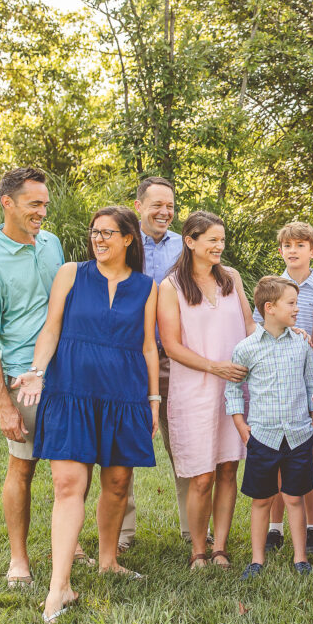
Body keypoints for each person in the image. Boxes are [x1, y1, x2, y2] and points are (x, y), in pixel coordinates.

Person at [16, 205, 158, 624]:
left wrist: (153, 400)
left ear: (129, 239)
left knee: (117, 483)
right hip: (71, 390)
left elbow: (149, 347)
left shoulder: (149, 287)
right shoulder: (71, 273)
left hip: (124, 394)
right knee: (66, 485)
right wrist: (38, 372)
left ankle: (108, 559)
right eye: (95, 232)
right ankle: (59, 585)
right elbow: (52, 328)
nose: (98, 239)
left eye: (108, 233)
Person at [0, 167, 89, 588]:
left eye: (45, 204)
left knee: (73, 462)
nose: (42, 211)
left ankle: (69, 543)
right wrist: (5, 406)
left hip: (69, 371)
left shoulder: (51, 243)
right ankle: (18, 559)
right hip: (26, 382)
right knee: (23, 467)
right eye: (34, 204)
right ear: (8, 202)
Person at [157, 211, 255, 569]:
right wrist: (215, 367)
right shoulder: (171, 288)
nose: (219, 246)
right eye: (212, 239)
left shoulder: (231, 278)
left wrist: (281, 339)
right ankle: (198, 548)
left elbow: (248, 325)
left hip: (233, 390)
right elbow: (171, 345)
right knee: (202, 475)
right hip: (194, 391)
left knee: (229, 468)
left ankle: (220, 548)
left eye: (222, 240)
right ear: (190, 241)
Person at [227, 276, 313, 580]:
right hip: (262, 436)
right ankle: (257, 559)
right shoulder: (246, 349)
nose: (297, 308)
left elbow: (310, 385)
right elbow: (233, 390)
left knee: (295, 497)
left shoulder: (302, 345)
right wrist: (241, 425)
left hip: (298, 434)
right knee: (261, 499)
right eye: (291, 303)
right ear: (270, 308)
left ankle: (300, 557)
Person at [254, 222, 313, 556]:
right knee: (278, 455)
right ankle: (275, 527)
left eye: (300, 245)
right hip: (278, 382)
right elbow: (261, 333)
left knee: (310, 456)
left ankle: (312, 525)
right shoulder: (272, 288)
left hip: (312, 378)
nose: (292, 250)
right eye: (287, 245)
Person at [132, 176, 186, 548]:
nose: (164, 212)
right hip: (130, 359)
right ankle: (122, 534)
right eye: (157, 205)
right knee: (123, 444)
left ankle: (193, 529)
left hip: (173, 360)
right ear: (139, 206)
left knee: (182, 443)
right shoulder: (121, 241)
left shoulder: (186, 246)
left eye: (169, 206)